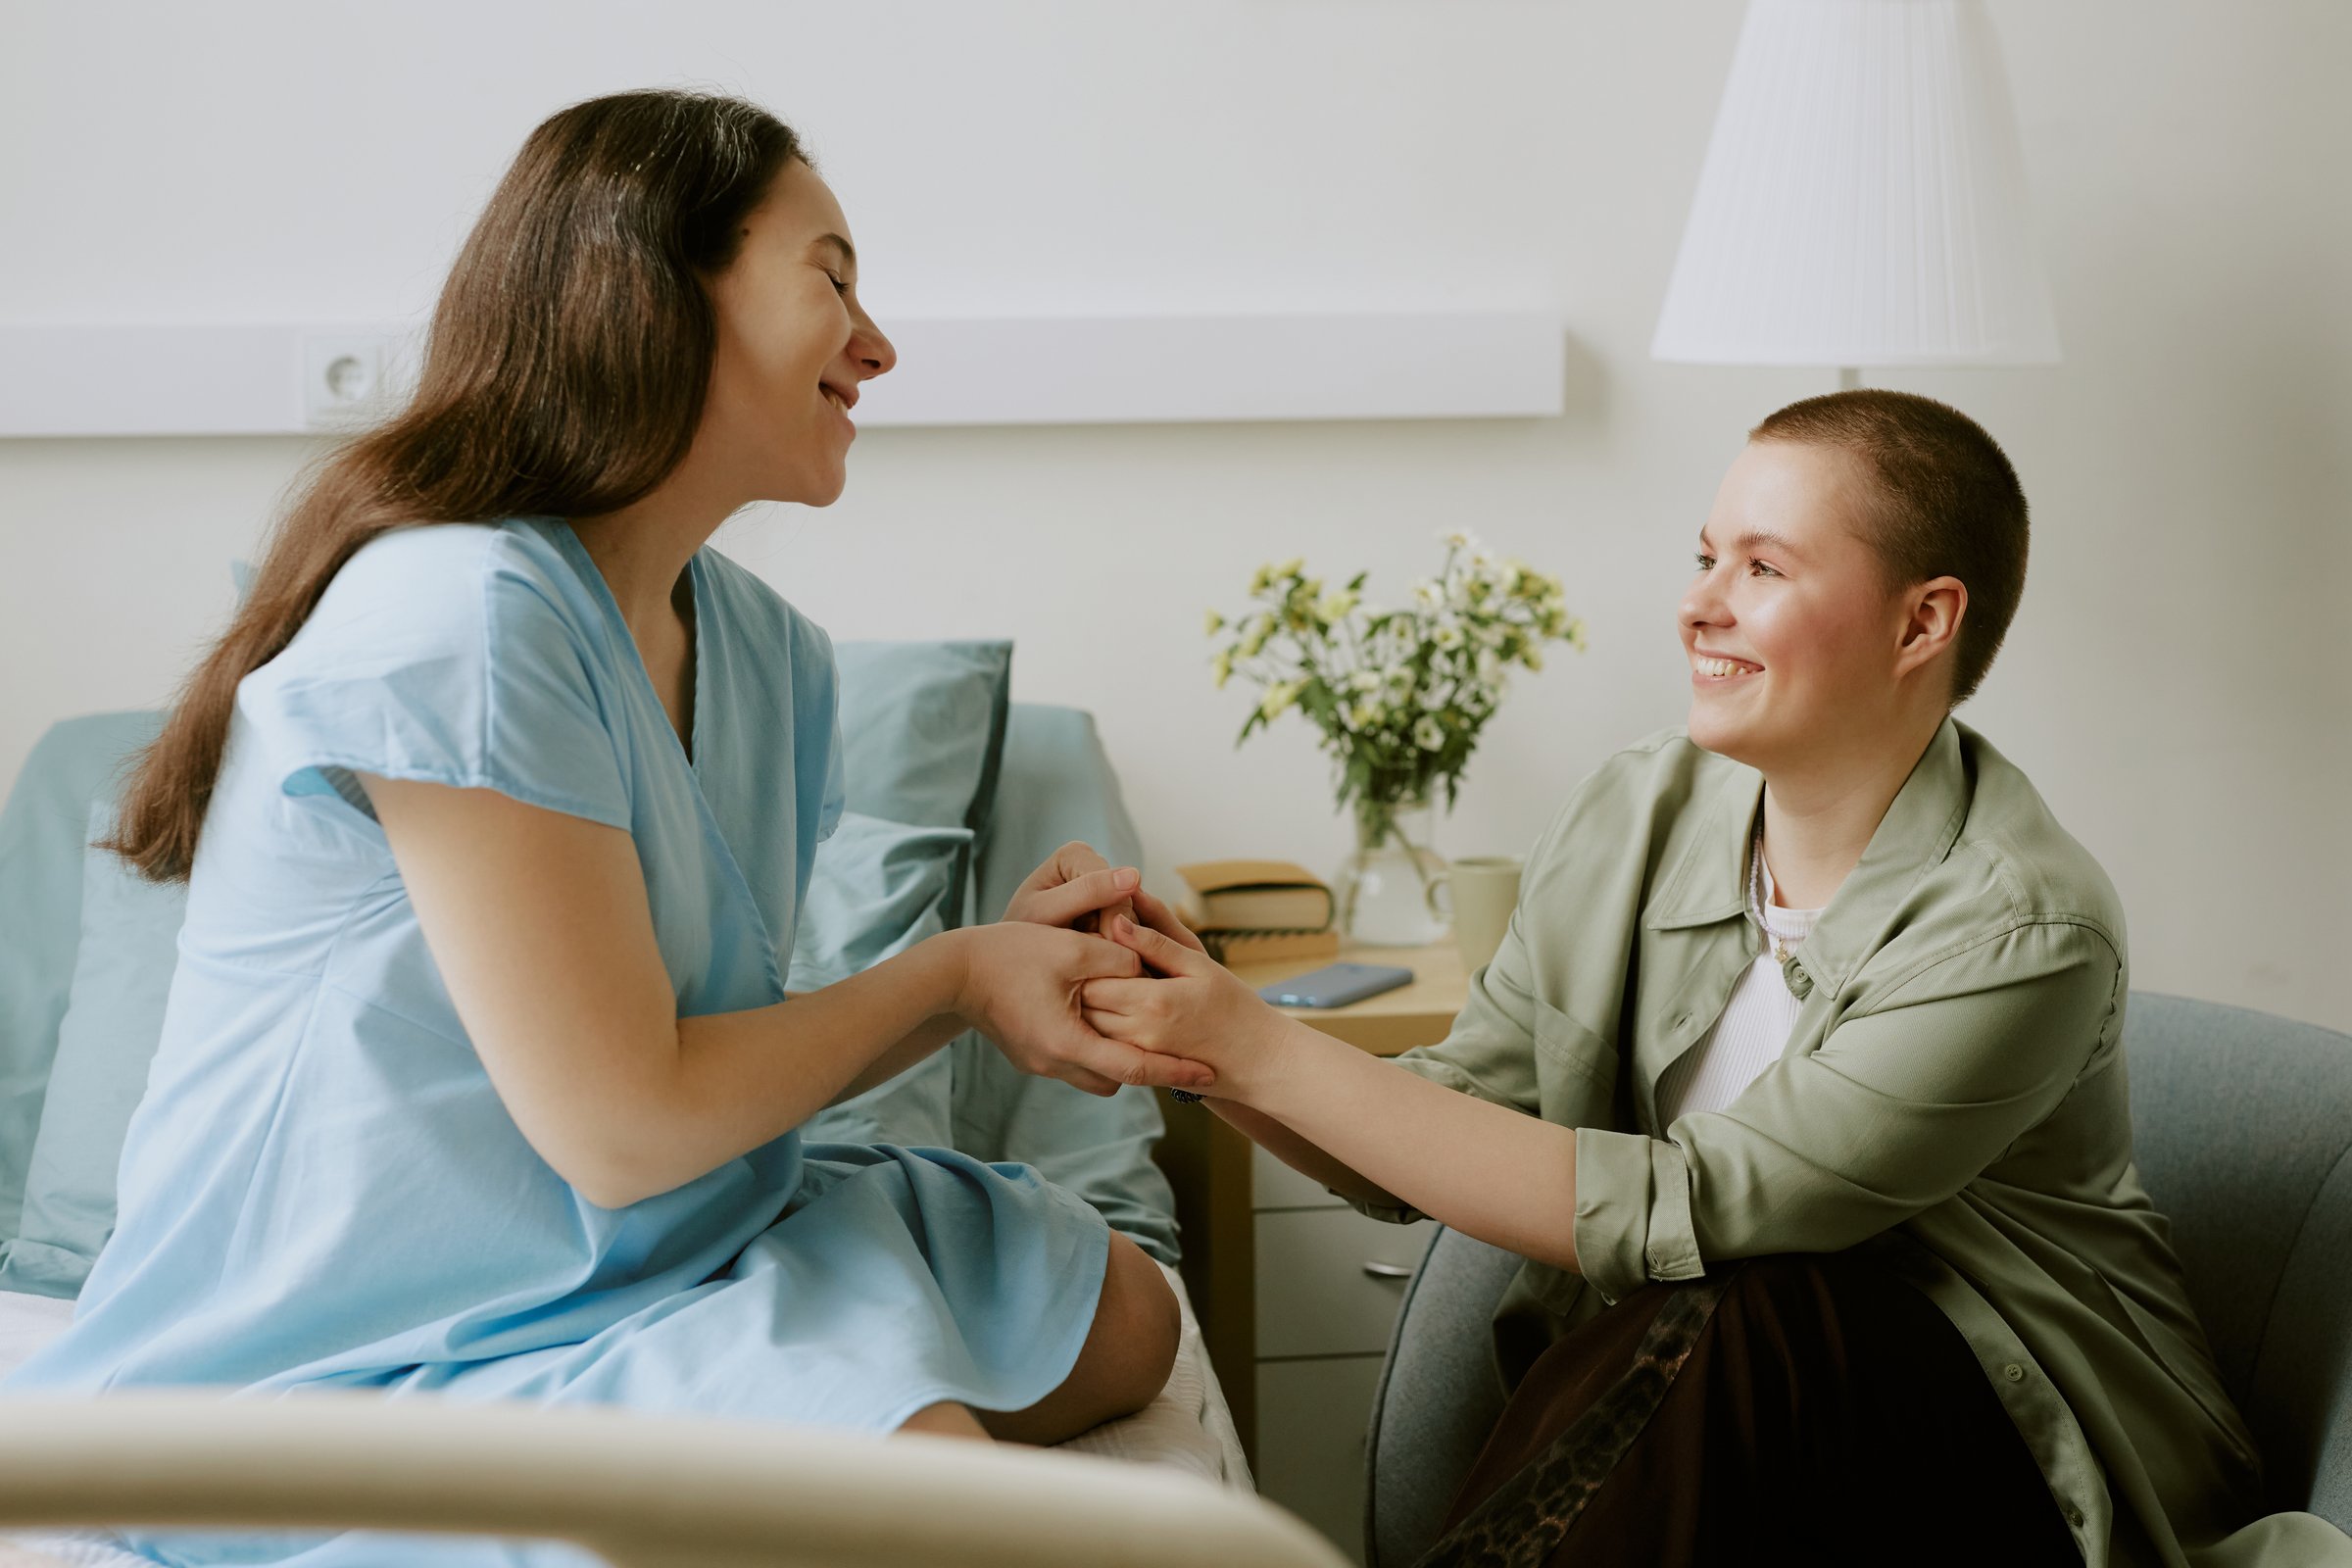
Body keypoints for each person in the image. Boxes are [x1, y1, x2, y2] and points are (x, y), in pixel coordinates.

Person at [5, 89, 1213, 1567]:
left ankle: (758, 1366)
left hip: (651, 1239)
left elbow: (699, 1065)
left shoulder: (770, 655)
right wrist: (953, 979)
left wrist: (997, 969)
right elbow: (627, 1123)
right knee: (929, 1489)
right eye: (831, 278)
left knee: (1123, 1322)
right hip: (361, 1340)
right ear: (654, 290)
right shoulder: (460, 615)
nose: (877, 342)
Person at [1084, 391, 2273, 1566]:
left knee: (1754, 1295)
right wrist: (1188, 1034)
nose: (1698, 605)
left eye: (1762, 568)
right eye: (1707, 556)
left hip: (2007, 1466)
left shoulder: (2022, 926)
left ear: (1924, 623)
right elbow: (1453, 1122)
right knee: (1709, 1318)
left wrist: (1255, 1042)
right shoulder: (1635, 810)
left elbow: (1701, 1214)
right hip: (1725, 1440)